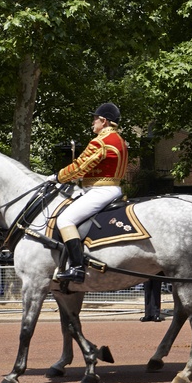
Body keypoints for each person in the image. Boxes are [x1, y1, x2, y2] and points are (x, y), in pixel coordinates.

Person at [51, 102, 128, 283]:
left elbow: (79, 167)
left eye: (94, 119)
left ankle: (77, 268)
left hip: (100, 190)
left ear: (104, 120)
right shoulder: (120, 140)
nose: (92, 122)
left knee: (65, 219)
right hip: (110, 188)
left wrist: (57, 177)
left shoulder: (101, 141)